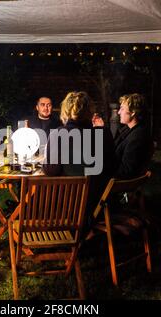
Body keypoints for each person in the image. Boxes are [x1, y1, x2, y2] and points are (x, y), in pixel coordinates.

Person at [43, 91, 115, 228]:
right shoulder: (104, 133)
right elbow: (112, 166)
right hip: (98, 205)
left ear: (66, 111)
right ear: (90, 111)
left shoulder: (59, 134)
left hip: (65, 209)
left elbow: (51, 170)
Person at [114, 93, 153, 180]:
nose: (119, 112)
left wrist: (103, 170)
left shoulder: (137, 137)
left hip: (118, 184)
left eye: (122, 109)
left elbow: (126, 171)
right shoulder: (128, 130)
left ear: (133, 113)